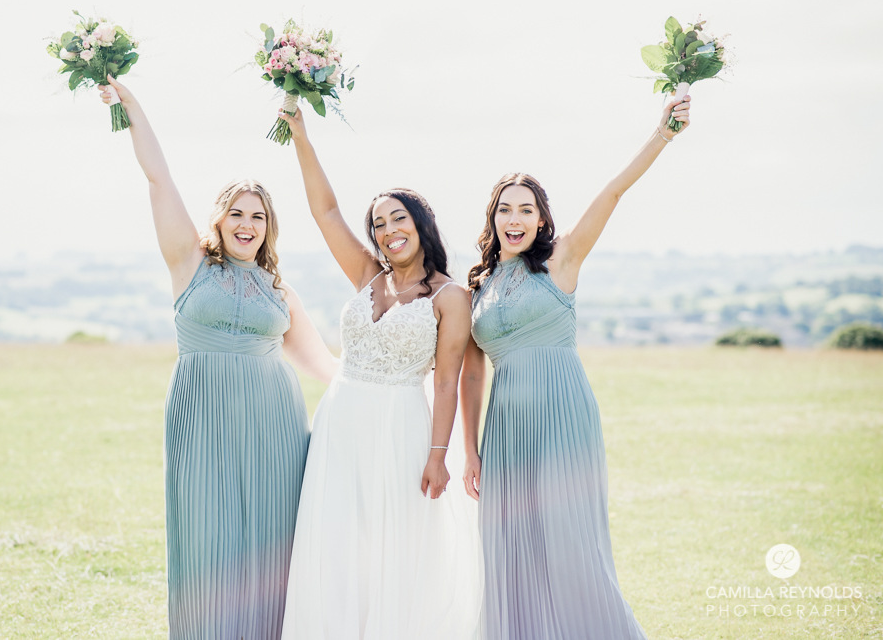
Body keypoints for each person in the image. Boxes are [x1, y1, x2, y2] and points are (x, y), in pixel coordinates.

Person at [99, 76, 338, 640]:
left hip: (275, 428)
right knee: (206, 546)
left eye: (258, 217)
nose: (247, 225)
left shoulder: (279, 292)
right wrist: (131, 105)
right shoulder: (189, 262)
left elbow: (327, 367)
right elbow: (158, 178)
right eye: (237, 213)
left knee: (272, 548)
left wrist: (394, 386)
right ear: (219, 219)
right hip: (201, 419)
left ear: (269, 228)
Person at [460, 94, 693, 639]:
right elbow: (472, 375)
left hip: (564, 418)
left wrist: (663, 133)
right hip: (506, 431)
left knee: (571, 544)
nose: (515, 218)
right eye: (505, 209)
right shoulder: (478, 287)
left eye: (526, 209)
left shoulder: (561, 260)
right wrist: (470, 450)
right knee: (512, 546)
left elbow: (611, 192)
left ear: (542, 218)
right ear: (492, 218)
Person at [275, 107, 483, 639]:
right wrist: (300, 134)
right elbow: (325, 211)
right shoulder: (368, 274)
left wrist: (438, 455)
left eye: (398, 219)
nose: (388, 231)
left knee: (395, 544)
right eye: (379, 224)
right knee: (336, 541)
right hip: (340, 422)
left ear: (421, 223)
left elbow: (446, 381)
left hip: (400, 428)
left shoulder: (450, 296)